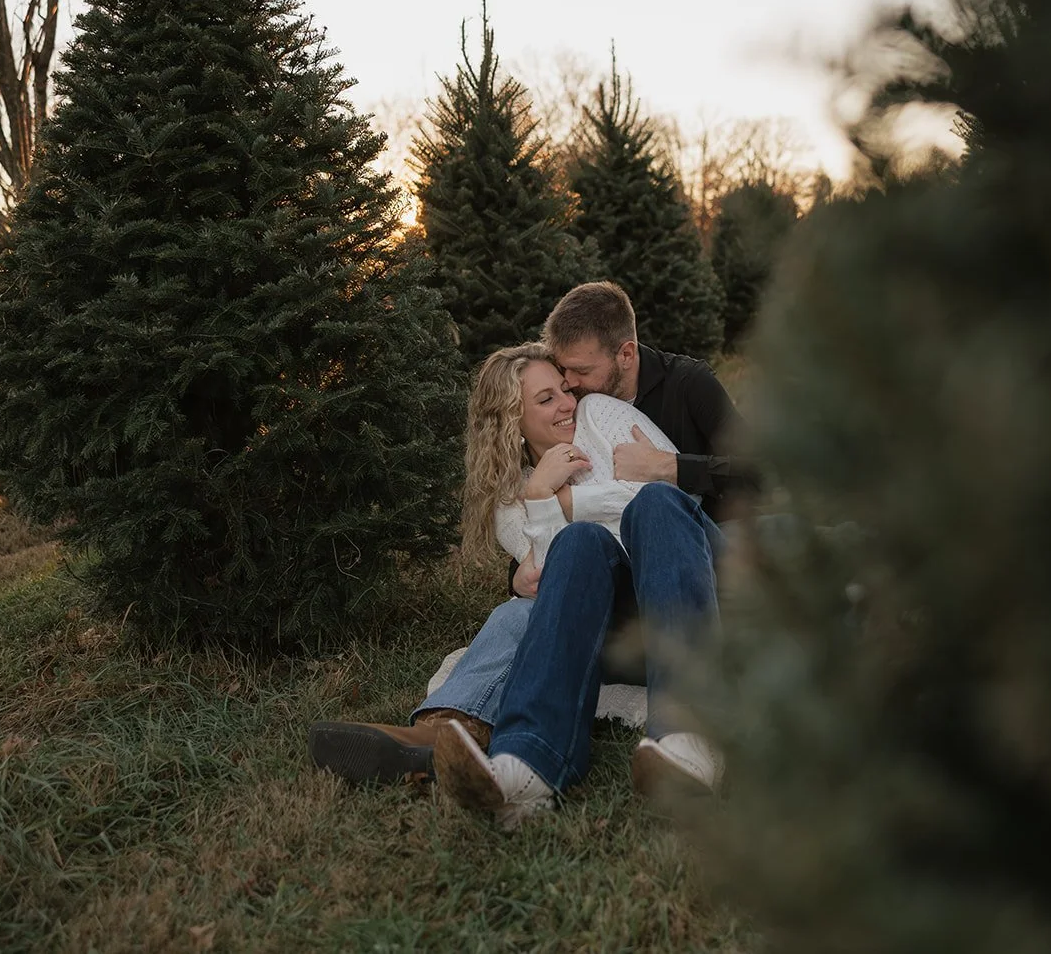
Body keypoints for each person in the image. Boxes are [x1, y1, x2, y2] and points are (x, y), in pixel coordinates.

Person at [308, 282, 752, 797]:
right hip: (623, 611)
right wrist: (542, 498)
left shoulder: (607, 412)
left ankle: (690, 733)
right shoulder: (514, 494)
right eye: (552, 395)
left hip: (695, 569)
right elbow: (550, 579)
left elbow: (673, 509)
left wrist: (573, 501)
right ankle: (504, 756)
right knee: (553, 574)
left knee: (650, 505)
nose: (571, 399)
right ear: (512, 423)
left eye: (569, 385)